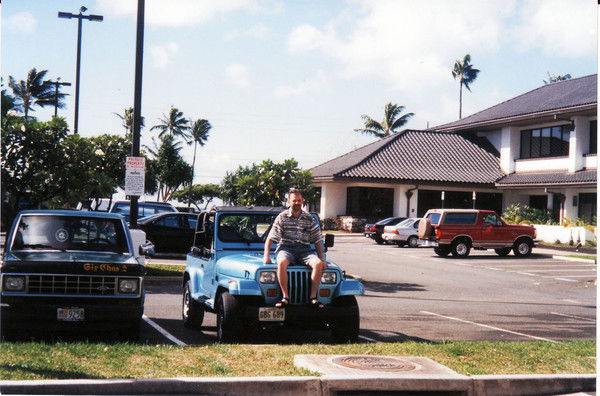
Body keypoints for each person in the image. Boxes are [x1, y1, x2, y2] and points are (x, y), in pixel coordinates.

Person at [263, 188, 326, 309]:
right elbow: (271, 238)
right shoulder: (282, 217)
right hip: (286, 248)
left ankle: (313, 297)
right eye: (294, 200)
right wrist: (266, 256)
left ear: (302, 201)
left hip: (305, 250)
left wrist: (322, 259)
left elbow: (318, 240)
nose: (297, 203)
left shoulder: (309, 218)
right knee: (281, 262)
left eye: (299, 200)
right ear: (288, 201)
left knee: (318, 264)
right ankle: (285, 297)